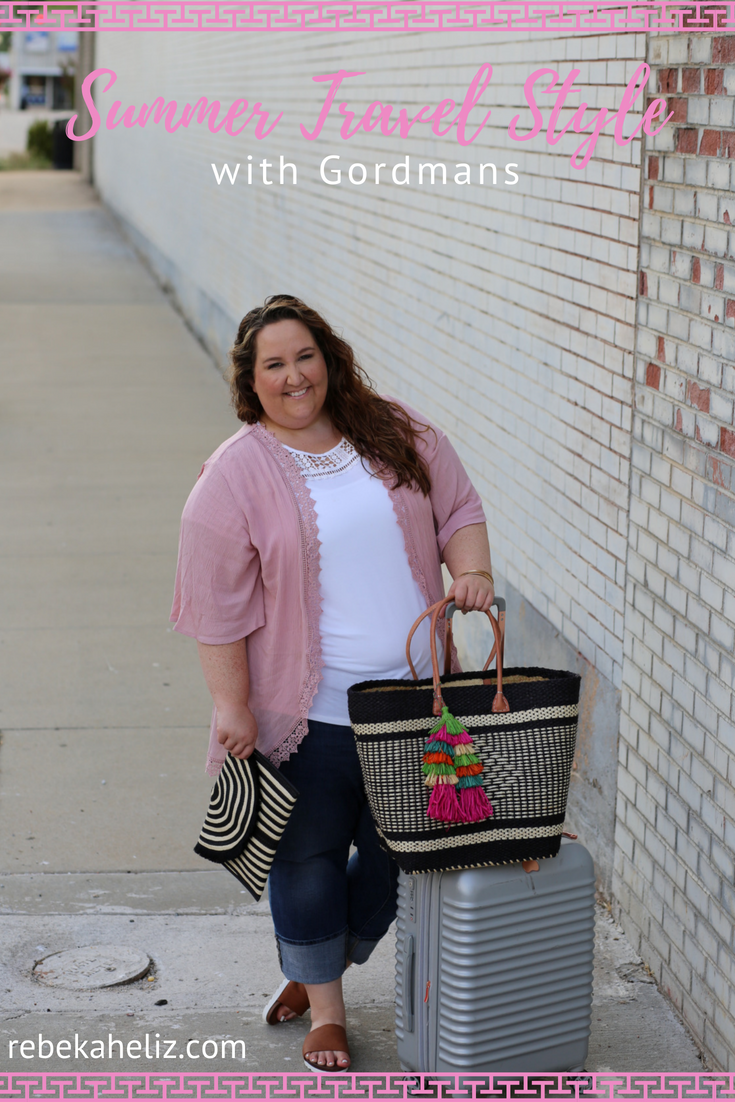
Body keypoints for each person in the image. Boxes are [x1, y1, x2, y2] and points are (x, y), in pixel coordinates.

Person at [171, 295, 495, 1072]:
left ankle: (310, 961)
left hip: (417, 707)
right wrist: (231, 703)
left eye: (304, 356)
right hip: (306, 716)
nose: (293, 376)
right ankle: (326, 1010)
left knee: (404, 859)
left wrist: (473, 567)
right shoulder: (235, 473)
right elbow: (212, 601)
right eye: (273, 365)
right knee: (305, 858)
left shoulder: (393, 428)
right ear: (250, 382)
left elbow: (457, 506)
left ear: (329, 357)